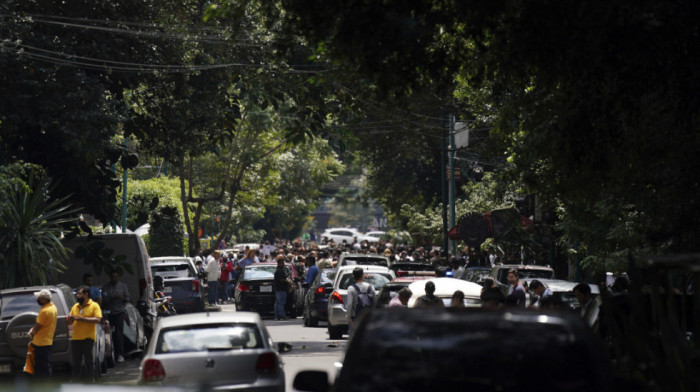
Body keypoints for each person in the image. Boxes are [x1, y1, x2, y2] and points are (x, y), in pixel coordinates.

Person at [67, 286, 102, 382]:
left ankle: (90, 380)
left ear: (86, 295)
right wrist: (70, 319)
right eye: (77, 294)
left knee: (89, 361)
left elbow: (98, 319)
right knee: (76, 362)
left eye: (79, 294)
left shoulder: (94, 305)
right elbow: (70, 322)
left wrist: (84, 319)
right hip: (76, 338)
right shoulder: (75, 306)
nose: (77, 296)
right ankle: (75, 380)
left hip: (88, 338)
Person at [102, 269, 130, 363]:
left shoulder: (123, 286)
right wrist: (110, 299)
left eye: (116, 277)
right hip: (109, 313)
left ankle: (120, 354)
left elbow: (128, 299)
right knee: (108, 334)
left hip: (119, 312)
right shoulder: (106, 287)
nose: (114, 278)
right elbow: (103, 300)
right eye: (112, 277)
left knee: (119, 334)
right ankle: (109, 354)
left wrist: (122, 298)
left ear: (118, 277)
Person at [28, 289, 57, 379]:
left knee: (41, 367)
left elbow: (37, 327)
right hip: (47, 341)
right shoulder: (53, 308)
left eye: (40, 298)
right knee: (45, 365)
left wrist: (31, 333)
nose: (38, 300)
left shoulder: (44, 312)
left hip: (40, 343)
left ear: (44, 299)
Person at [346, 267, 376, 334]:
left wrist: (349, 319)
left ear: (353, 277)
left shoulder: (351, 288)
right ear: (363, 275)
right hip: (368, 318)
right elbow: (375, 302)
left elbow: (349, 304)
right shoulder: (371, 287)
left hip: (355, 318)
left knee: (355, 338)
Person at [273, 256, 290, 320]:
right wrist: (287, 281)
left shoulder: (279, 270)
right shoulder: (279, 271)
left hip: (278, 289)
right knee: (281, 303)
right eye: (282, 263)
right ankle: (282, 315)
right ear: (279, 264)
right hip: (281, 288)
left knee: (277, 302)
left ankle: (277, 315)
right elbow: (281, 280)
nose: (283, 264)